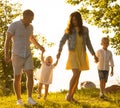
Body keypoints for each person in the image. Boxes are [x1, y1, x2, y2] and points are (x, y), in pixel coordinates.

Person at [4, 9, 45, 106]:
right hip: (17, 55)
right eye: (30, 19)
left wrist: (39, 47)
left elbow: (31, 38)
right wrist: (6, 54)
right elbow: (7, 40)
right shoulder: (14, 25)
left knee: (30, 74)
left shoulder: (31, 27)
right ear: (24, 16)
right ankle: (19, 99)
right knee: (17, 77)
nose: (31, 21)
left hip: (27, 54)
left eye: (32, 19)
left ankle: (30, 98)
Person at [56, 11, 98, 103]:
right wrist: (59, 51)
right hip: (73, 53)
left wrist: (94, 54)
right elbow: (62, 41)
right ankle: (68, 94)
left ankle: (71, 96)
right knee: (75, 74)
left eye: (76, 20)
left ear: (79, 20)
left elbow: (88, 43)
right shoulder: (68, 30)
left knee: (78, 76)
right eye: (73, 20)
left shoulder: (85, 29)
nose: (74, 22)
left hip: (82, 53)